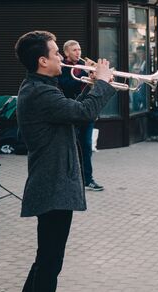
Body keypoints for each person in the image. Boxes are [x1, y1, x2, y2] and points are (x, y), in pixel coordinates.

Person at [15, 31, 115, 292]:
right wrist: (103, 83)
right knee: (50, 262)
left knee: (46, 259)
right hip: (52, 183)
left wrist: (94, 86)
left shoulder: (41, 88)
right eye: (56, 52)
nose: (61, 57)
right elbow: (83, 113)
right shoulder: (39, 92)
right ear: (42, 61)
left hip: (53, 181)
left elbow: (71, 113)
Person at [58, 40, 104, 191]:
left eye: (79, 49)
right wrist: (85, 73)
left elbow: (93, 89)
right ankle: (69, 179)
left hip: (86, 112)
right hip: (71, 111)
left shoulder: (84, 66)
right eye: (74, 50)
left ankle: (88, 179)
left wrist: (96, 78)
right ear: (66, 53)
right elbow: (67, 85)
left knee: (86, 147)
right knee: (70, 147)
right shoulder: (63, 67)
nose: (78, 53)